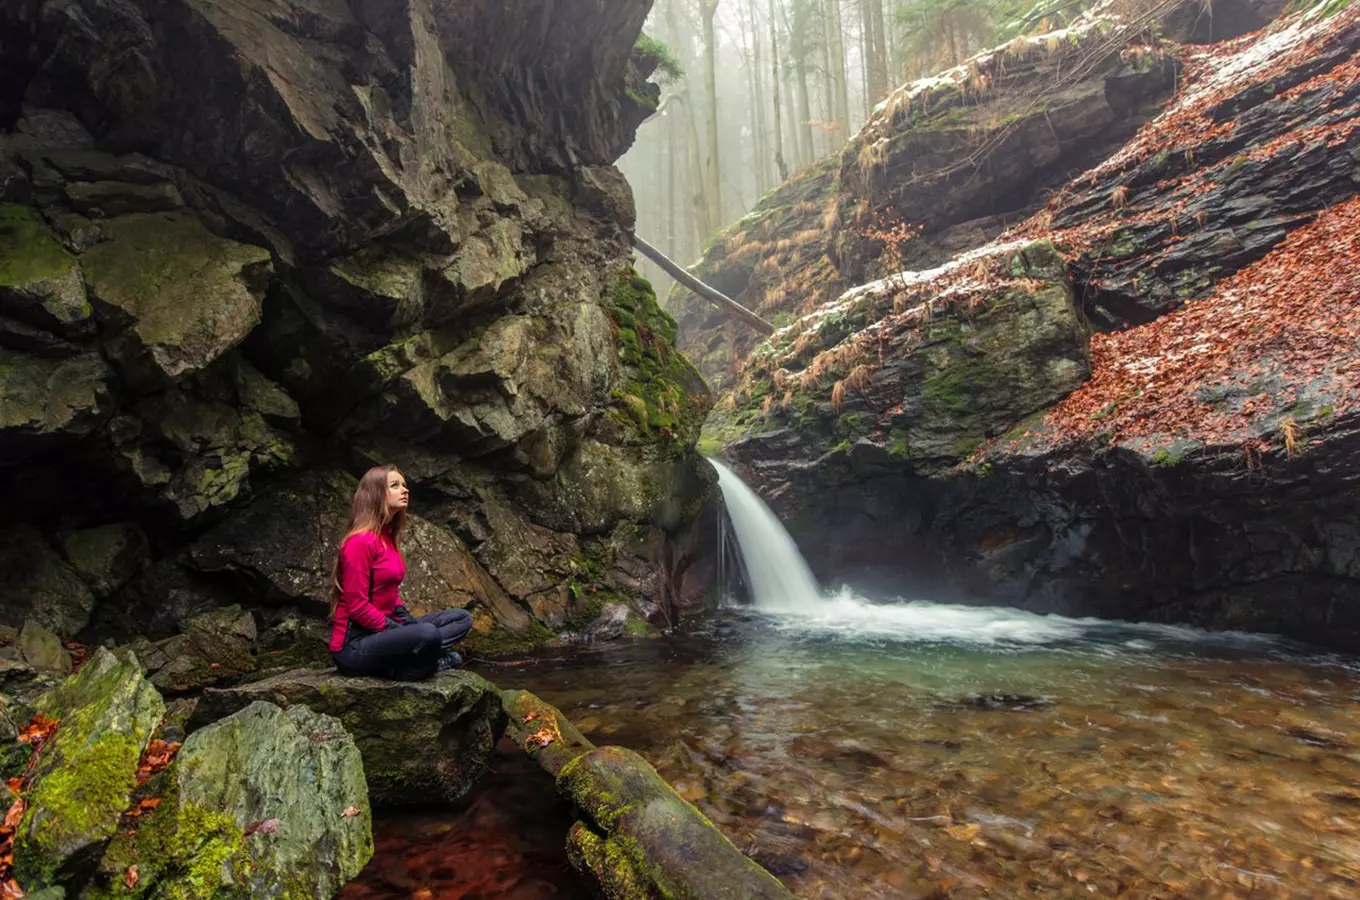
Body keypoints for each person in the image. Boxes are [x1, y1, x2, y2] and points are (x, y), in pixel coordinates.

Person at [328, 465, 472, 679]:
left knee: (462, 619)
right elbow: (357, 606)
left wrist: (408, 624)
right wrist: (397, 630)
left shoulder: (386, 538)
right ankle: (421, 662)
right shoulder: (360, 542)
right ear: (376, 493)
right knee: (428, 634)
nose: (405, 490)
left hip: (385, 632)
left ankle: (418, 657)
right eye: (395, 486)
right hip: (354, 647)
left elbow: (390, 596)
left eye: (404, 485)